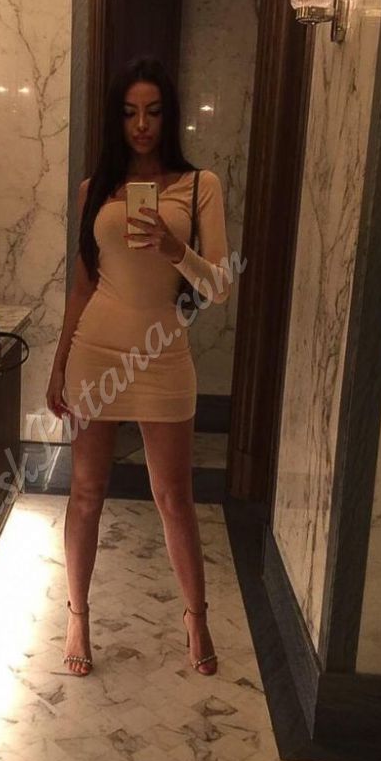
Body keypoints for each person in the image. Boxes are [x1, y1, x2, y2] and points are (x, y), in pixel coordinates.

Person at [45, 56, 232, 678]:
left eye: (152, 112)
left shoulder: (199, 185)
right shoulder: (93, 190)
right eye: (129, 113)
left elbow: (219, 286)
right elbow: (82, 286)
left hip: (163, 355)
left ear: (169, 116)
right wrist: (58, 364)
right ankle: (77, 616)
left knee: (174, 497)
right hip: (95, 351)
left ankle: (196, 616)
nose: (141, 125)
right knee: (86, 492)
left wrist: (177, 249)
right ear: (117, 120)